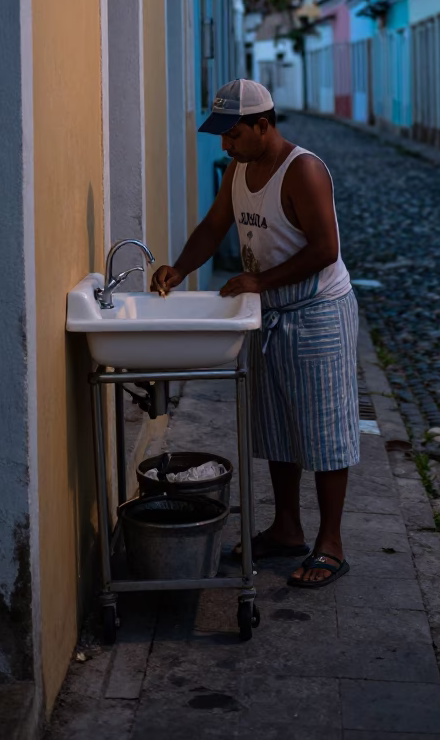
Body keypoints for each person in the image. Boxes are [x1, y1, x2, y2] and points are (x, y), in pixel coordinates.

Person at [151, 79, 359, 588]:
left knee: (325, 430)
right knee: (278, 423)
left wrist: (259, 281)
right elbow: (215, 225)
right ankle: (287, 528)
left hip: (317, 310)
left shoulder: (303, 170)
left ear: (263, 125)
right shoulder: (240, 169)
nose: (225, 145)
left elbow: (325, 249)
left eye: (234, 134)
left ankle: (330, 542)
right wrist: (179, 269)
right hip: (269, 310)